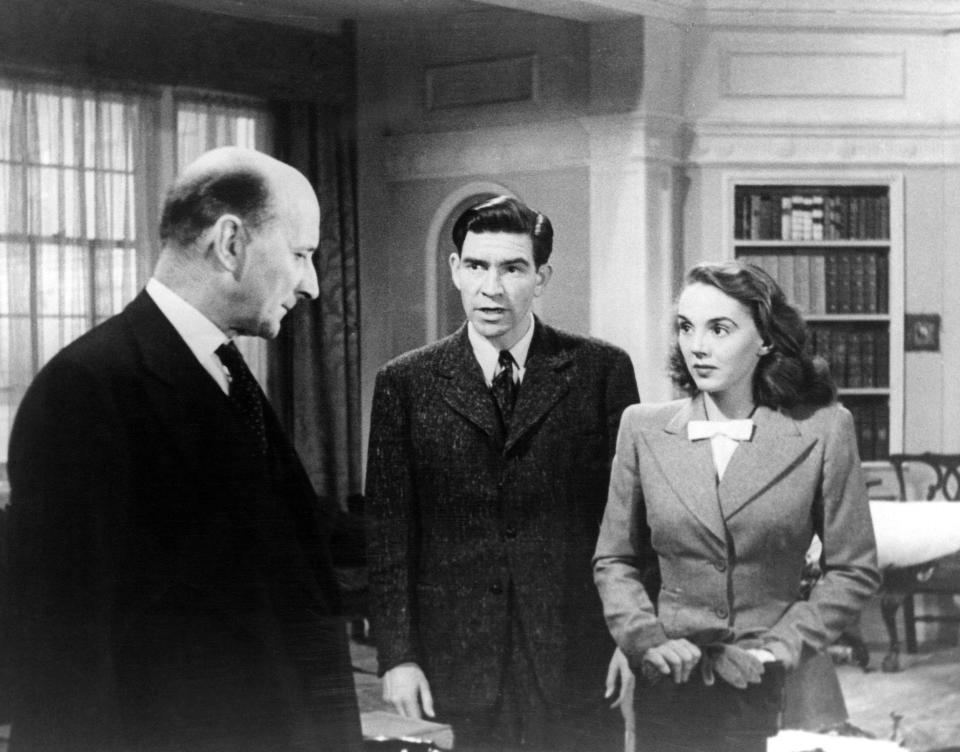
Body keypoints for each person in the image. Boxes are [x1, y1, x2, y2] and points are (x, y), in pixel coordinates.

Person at [6, 147, 362, 752]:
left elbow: (287, 526)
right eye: (301, 255)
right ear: (230, 243)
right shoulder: (88, 388)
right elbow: (65, 653)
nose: (313, 286)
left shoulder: (220, 367)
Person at [364, 196, 640, 752]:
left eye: (512, 268)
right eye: (476, 266)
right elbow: (390, 535)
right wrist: (398, 656)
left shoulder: (601, 371)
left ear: (541, 277)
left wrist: (633, 637)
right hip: (461, 659)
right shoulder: (406, 382)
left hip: (577, 654)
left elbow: (634, 522)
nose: (491, 287)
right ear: (454, 271)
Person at [593, 260, 881, 752]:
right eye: (686, 327)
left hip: (771, 679)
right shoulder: (642, 427)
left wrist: (779, 649)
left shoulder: (824, 428)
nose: (697, 346)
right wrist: (646, 640)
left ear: (765, 339)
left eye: (719, 329)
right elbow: (615, 560)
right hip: (669, 682)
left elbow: (853, 570)